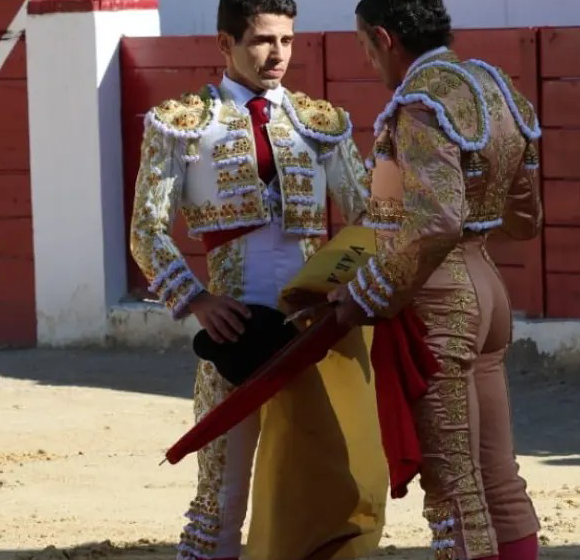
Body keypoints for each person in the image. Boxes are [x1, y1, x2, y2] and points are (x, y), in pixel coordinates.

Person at [128, 1, 388, 558]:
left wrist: (344, 287)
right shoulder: (182, 123)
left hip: (313, 331)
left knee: (330, 485)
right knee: (220, 503)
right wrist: (196, 299)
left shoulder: (320, 123)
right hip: (236, 336)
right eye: (263, 40)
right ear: (226, 44)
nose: (278, 54)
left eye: (288, 40)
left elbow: (369, 215)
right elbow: (145, 232)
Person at [330, 1, 544, 559]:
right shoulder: (494, 87)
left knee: (455, 493)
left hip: (441, 305)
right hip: (489, 291)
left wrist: (367, 293)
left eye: (364, 46)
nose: (368, 59)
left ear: (383, 37)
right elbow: (526, 218)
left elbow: (437, 221)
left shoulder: (421, 102)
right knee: (500, 478)